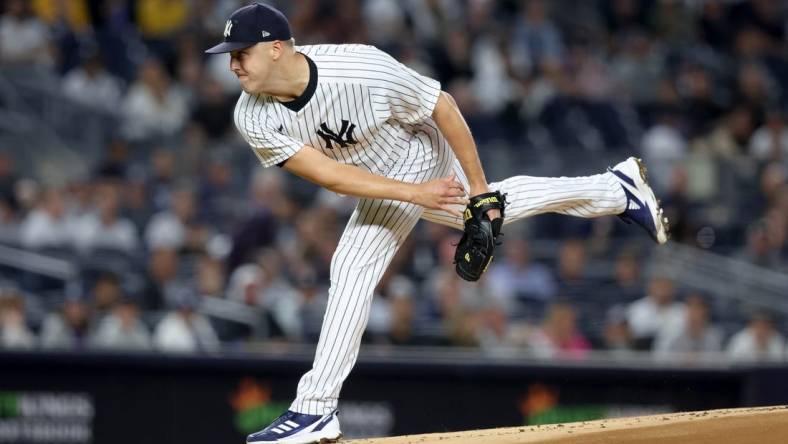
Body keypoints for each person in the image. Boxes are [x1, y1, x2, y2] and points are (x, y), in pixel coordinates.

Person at [205, 4, 668, 443]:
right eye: (229, 58)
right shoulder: (251, 115)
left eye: (240, 54)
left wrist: (477, 189)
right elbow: (328, 175)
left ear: (276, 47)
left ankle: (315, 408)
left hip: (416, 147)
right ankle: (616, 189)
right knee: (459, 215)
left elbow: (442, 105)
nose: (233, 66)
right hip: (385, 177)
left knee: (352, 265)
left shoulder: (361, 69)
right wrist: (444, 198)